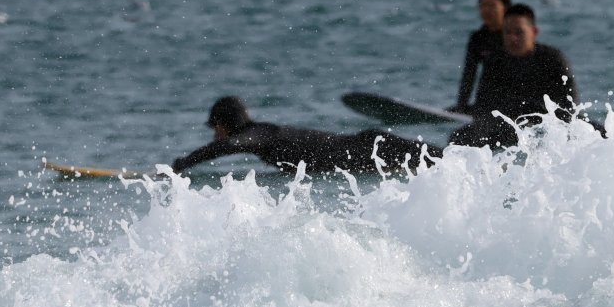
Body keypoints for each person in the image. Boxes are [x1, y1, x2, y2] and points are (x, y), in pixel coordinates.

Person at [171, 97, 443, 174]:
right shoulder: (262, 131)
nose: (214, 133)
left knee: (448, 161)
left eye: (215, 126)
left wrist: (181, 165)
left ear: (227, 123)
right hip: (366, 148)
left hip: (367, 149)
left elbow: (230, 145)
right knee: (442, 161)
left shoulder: (257, 134)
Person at [449, 3, 579, 148]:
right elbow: (484, 104)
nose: (512, 38)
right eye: (507, 32)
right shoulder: (495, 61)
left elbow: (571, 105)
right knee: (458, 137)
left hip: (546, 127)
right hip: (506, 128)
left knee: (595, 130)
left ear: (534, 32)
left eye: (518, 32)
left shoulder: (553, 59)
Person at [448, 0, 512, 115]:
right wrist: (461, 106)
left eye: (492, 5)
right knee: (449, 112)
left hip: (512, 106)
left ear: (505, 8)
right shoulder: (477, 38)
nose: (486, 10)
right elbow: (469, 75)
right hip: (484, 105)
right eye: (482, 5)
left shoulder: (514, 38)